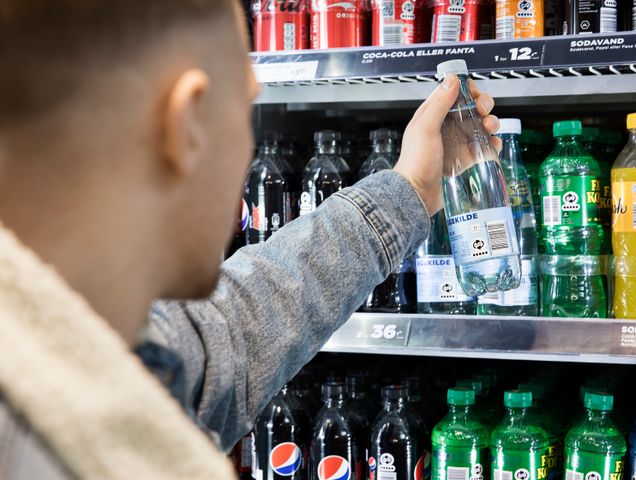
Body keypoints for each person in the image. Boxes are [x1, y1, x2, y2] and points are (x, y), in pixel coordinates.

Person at [0, 0, 500, 478]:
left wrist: (411, 189)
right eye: (245, 110)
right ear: (187, 126)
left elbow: (234, 331)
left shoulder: (80, 357)